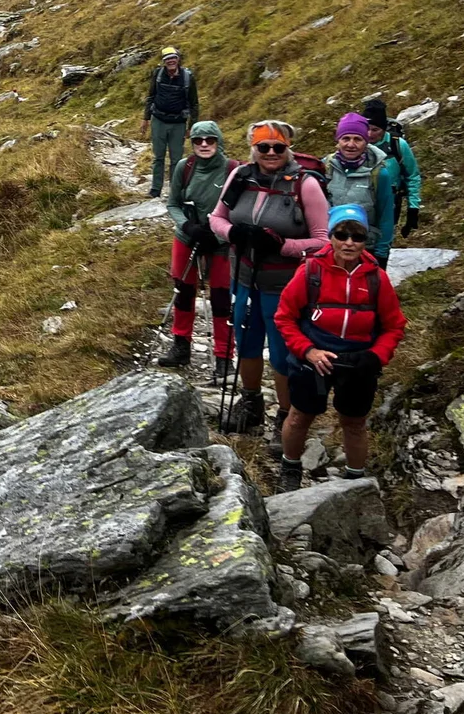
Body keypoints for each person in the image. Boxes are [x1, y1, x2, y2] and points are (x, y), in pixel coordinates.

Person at [274, 203, 407, 490]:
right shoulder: (310, 271)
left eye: (357, 236)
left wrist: (376, 356)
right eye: (341, 234)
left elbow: (394, 325)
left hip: (359, 362)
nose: (349, 242)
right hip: (312, 359)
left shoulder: (376, 278)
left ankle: (355, 482)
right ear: (331, 236)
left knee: (355, 423)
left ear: (365, 240)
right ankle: (290, 470)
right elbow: (284, 317)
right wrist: (308, 351)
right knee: (299, 417)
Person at [210, 120, 330, 435]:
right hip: (244, 279)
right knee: (247, 343)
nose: (271, 152)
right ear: (254, 149)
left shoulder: (305, 185)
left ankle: (286, 418)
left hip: (286, 286)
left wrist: (284, 245)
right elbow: (216, 218)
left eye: (279, 147)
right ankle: (251, 404)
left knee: (281, 352)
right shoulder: (240, 176)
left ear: (288, 148)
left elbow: (324, 240)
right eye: (264, 147)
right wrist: (233, 232)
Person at [159, 120, 233, 378]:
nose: (203, 145)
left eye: (210, 140)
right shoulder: (184, 166)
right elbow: (173, 204)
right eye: (198, 140)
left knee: (222, 299)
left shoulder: (233, 170)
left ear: (218, 141)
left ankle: (225, 356)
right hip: (187, 237)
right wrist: (188, 226)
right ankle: (181, 346)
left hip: (221, 242)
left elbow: (240, 210)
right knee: (183, 290)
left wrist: (220, 233)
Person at [322, 113, 398, 264]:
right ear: (338, 141)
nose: (351, 144)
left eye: (357, 139)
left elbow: (386, 214)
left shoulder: (379, 173)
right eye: (346, 138)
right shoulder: (325, 167)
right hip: (330, 247)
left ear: (366, 142)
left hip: (365, 247)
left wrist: (382, 251)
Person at [362, 98, 422, 243]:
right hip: (362, 202)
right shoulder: (357, 144)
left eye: (375, 129)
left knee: (382, 242)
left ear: (384, 128)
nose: (370, 134)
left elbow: (412, 176)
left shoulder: (397, 145)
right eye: (367, 128)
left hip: (390, 203)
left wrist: (412, 209)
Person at [142, 46, 199, 197]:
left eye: (173, 58)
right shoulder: (158, 74)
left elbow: (194, 103)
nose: (170, 61)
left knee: (176, 159)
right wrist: (146, 118)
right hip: (159, 120)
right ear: (164, 62)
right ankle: (155, 189)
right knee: (158, 157)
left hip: (178, 122)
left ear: (178, 59)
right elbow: (151, 96)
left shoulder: (188, 77)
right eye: (167, 59)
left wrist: (191, 126)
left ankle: (175, 190)